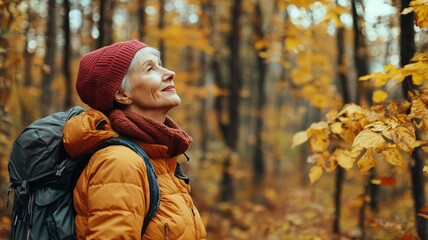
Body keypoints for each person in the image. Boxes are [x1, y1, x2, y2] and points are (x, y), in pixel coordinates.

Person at [62, 39, 207, 239]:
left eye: (160, 64)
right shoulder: (120, 163)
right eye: (150, 69)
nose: (170, 73)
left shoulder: (159, 158)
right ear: (122, 94)